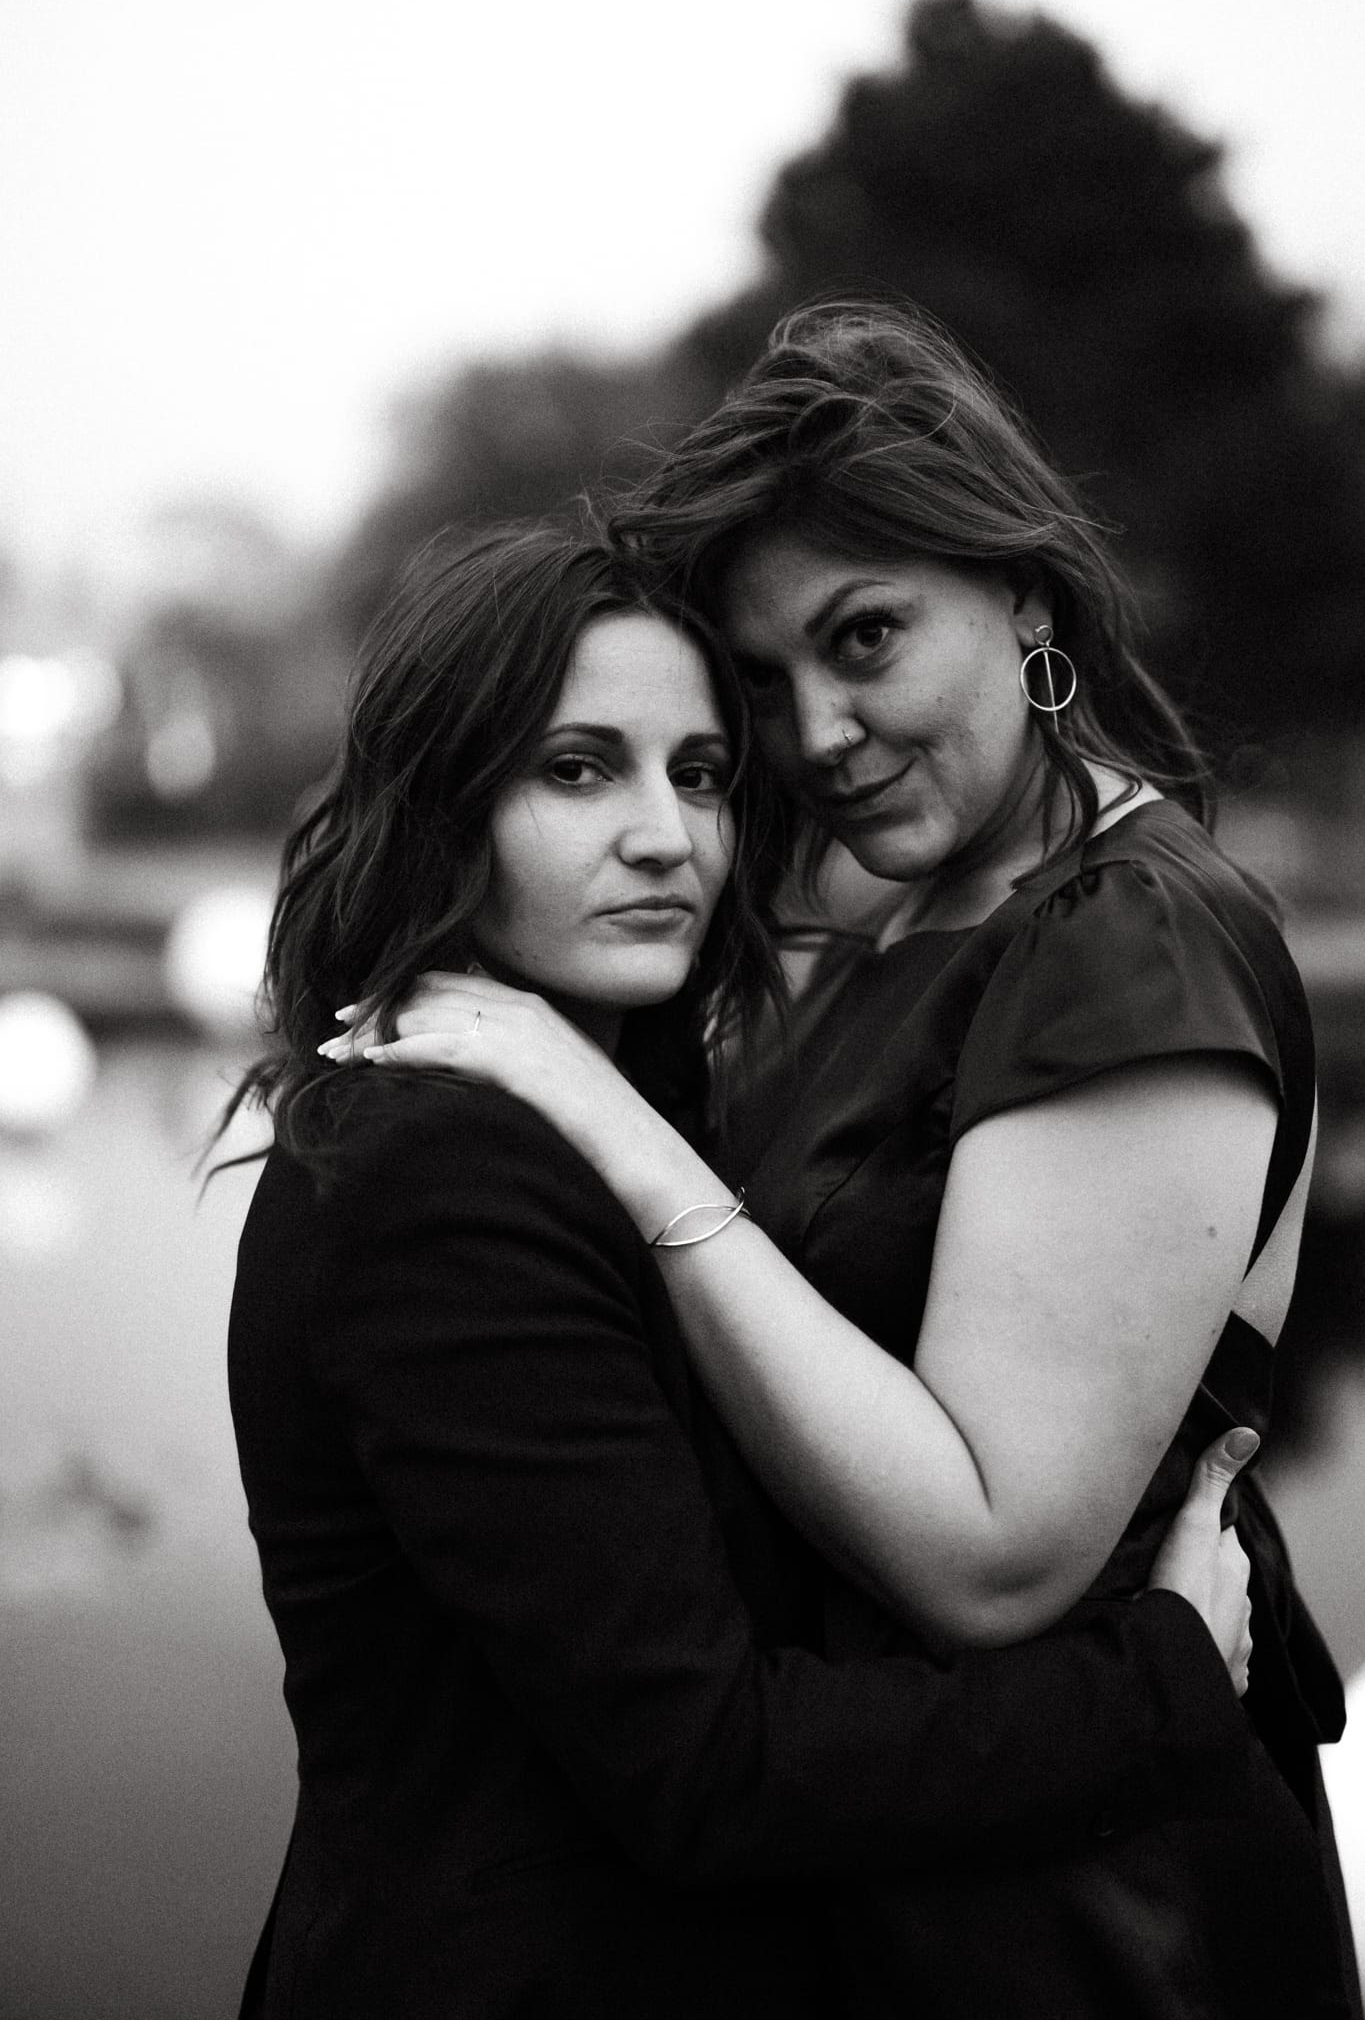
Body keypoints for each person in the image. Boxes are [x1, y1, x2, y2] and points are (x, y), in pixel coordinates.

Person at [335, 304, 1359, 2017]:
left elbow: (990, 1554)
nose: (813, 733)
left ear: (1023, 599)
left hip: (1092, 1914)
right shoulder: (896, 910)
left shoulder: (1127, 940)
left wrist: (604, 1125)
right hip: (891, 1850)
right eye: (763, 681)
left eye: (865, 637)